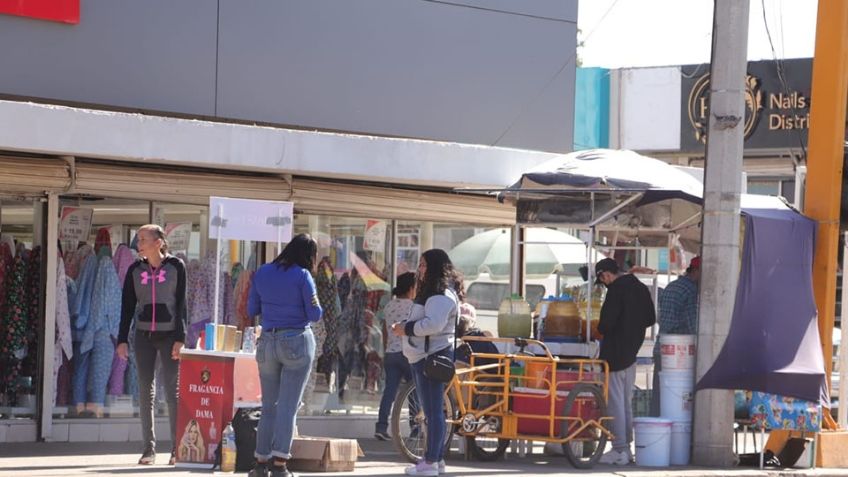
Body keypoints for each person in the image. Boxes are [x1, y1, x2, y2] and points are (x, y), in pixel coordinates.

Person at [248, 233, 323, 477]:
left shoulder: (262, 272)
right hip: (296, 341)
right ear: (308, 255)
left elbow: (252, 309)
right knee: (288, 407)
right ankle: (280, 464)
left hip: (267, 340)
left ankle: (260, 463)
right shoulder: (303, 276)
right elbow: (315, 314)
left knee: (268, 406)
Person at [116, 224, 188, 466]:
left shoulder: (177, 267)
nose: (139, 244)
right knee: (145, 393)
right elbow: (127, 307)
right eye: (138, 240)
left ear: (158, 242)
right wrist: (122, 339)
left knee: (172, 393)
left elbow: (181, 305)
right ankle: (149, 449)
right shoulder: (135, 270)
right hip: (143, 336)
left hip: (170, 337)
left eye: (143, 239)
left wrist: (181, 338)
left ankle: (177, 449)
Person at [391, 249, 458, 477]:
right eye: (419, 264)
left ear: (435, 267)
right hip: (423, 355)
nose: (419, 269)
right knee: (430, 411)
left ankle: (430, 462)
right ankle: (434, 460)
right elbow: (425, 320)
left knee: (433, 411)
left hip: (432, 356)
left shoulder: (440, 294)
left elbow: (433, 325)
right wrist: (405, 326)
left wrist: (406, 329)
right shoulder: (432, 291)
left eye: (423, 265)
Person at [594, 257, 656, 466]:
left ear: (606, 274)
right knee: (625, 404)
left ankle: (619, 449)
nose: (603, 283)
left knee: (614, 404)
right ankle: (626, 449)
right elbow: (650, 318)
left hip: (613, 355)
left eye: (602, 279)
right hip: (632, 354)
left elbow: (604, 325)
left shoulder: (616, 291)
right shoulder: (639, 287)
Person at [651, 256, 701, 416]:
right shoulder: (691, 291)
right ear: (697, 271)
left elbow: (661, 318)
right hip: (680, 353)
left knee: (659, 395)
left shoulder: (671, 286)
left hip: (661, 348)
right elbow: (693, 325)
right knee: (679, 399)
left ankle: (658, 425)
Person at [374, 272, 416, 441]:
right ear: (411, 288)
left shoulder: (389, 306)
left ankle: (381, 426)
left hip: (391, 353)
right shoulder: (413, 306)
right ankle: (416, 428)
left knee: (389, 392)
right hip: (408, 353)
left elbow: (385, 331)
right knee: (414, 391)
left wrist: (385, 350)